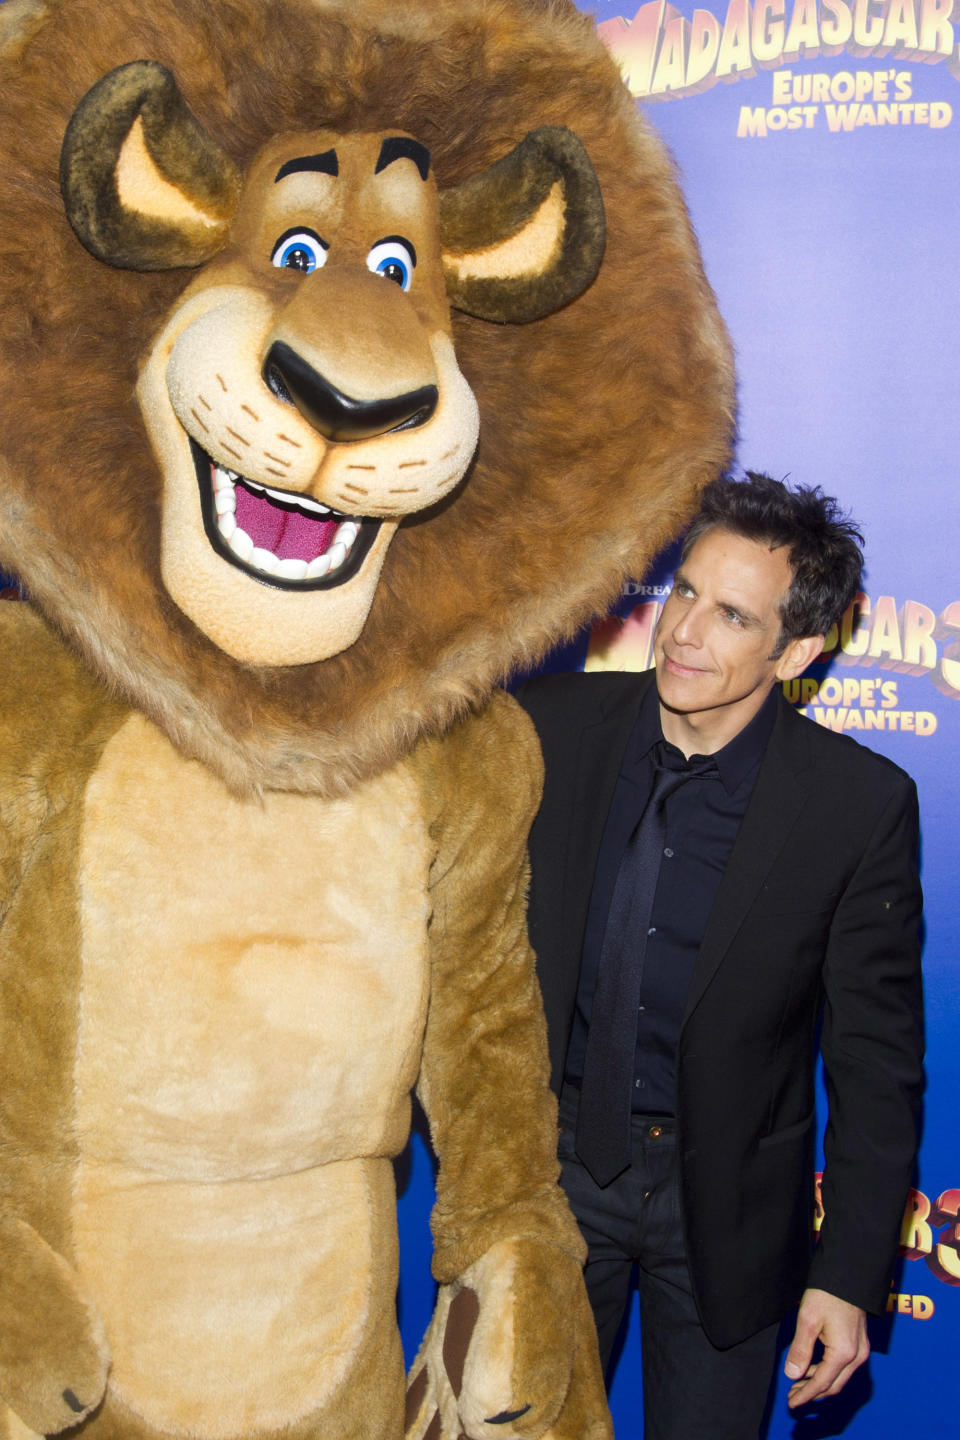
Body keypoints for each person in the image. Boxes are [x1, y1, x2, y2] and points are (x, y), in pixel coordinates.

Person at [517, 473, 923, 1440]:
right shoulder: (548, 733)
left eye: (733, 615)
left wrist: (848, 1275)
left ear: (797, 652)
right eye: (685, 591)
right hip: (552, 1172)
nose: (686, 631)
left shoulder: (856, 807)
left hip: (728, 1207)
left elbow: (875, 1064)